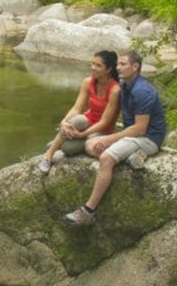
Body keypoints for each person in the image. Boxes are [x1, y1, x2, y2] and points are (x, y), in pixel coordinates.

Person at [65, 49, 167, 226]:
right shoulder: (125, 85)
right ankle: (134, 156)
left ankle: (88, 212)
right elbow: (99, 93)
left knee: (106, 158)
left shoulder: (142, 91)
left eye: (123, 64)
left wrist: (110, 139)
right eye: (117, 64)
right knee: (90, 145)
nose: (118, 68)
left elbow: (140, 128)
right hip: (132, 136)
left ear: (135, 67)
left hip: (148, 138)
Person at [38, 50, 121, 174]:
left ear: (109, 69)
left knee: (68, 148)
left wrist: (82, 135)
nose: (93, 68)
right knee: (76, 120)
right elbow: (77, 108)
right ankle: (48, 155)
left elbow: (104, 122)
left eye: (98, 65)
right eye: (92, 63)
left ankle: (60, 140)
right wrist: (63, 122)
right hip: (87, 120)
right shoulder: (88, 82)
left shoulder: (115, 89)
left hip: (102, 130)